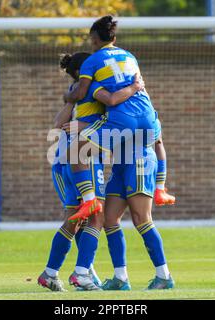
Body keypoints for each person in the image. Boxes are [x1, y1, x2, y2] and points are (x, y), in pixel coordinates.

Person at [66, 16, 175, 290]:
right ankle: (121, 278)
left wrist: (70, 98)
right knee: (110, 218)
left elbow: (98, 97)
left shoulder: (92, 64)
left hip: (138, 155)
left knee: (141, 219)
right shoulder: (129, 58)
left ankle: (164, 276)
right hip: (127, 152)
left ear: (94, 38)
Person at [38, 52, 144, 291]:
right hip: (85, 159)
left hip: (63, 161)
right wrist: (135, 87)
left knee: (75, 219)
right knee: (96, 216)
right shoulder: (96, 90)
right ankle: (82, 273)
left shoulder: (76, 93)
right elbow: (114, 102)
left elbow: (58, 125)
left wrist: (71, 101)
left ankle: (51, 273)